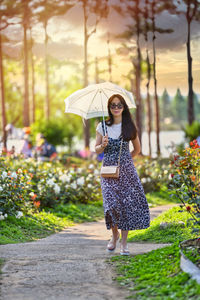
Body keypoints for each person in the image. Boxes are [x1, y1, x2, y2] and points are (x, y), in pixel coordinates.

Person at [95, 94, 150, 256]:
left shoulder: (129, 126)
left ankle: (124, 244)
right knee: (111, 205)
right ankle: (114, 235)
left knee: (125, 206)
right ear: (109, 108)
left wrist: (124, 161)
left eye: (119, 105)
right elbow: (96, 149)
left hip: (126, 171)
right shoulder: (102, 126)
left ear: (124, 107)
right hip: (107, 172)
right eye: (113, 105)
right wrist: (102, 145)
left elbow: (137, 150)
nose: (116, 108)